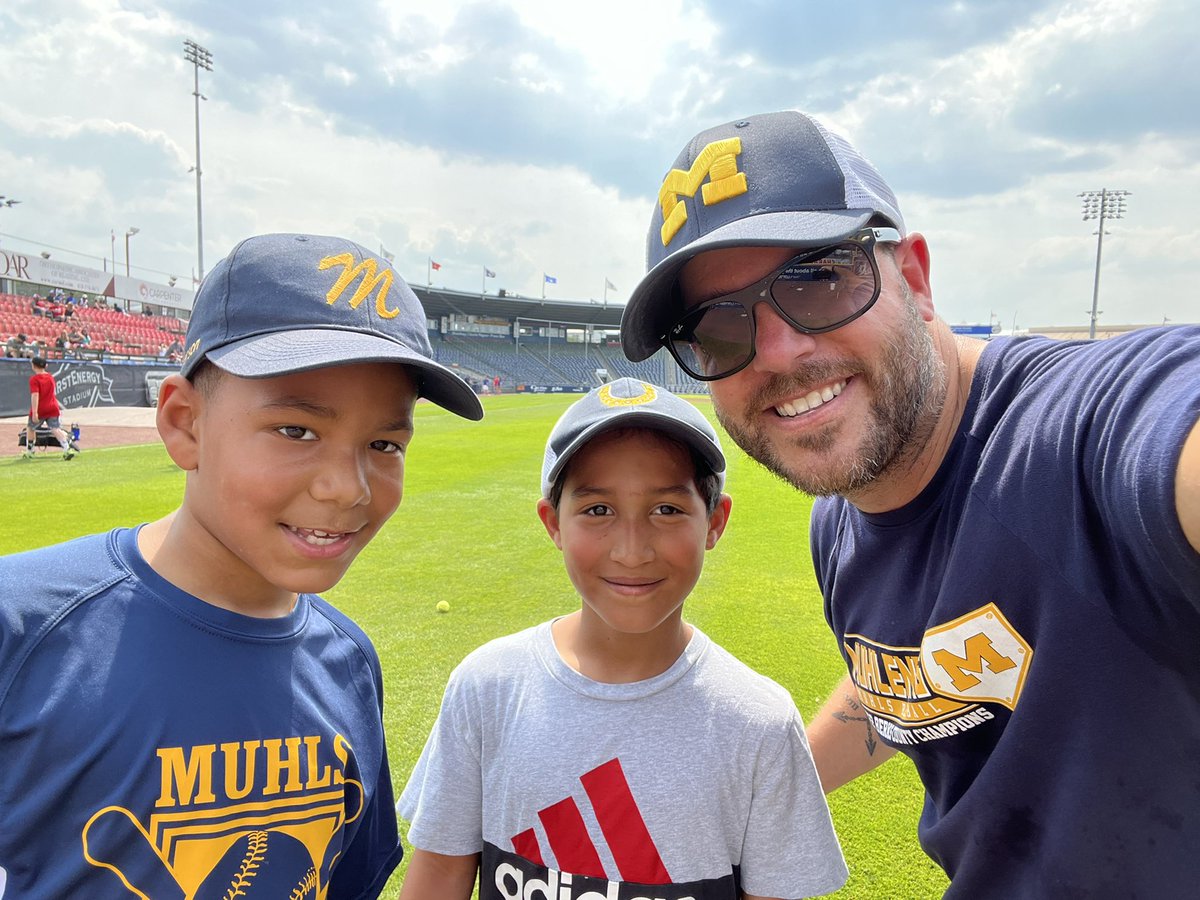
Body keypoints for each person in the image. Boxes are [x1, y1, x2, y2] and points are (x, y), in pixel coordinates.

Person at [619, 110, 1200, 897]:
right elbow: (907, 673)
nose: (780, 353)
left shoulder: (1089, 428)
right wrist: (758, 792)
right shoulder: (841, 524)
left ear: (916, 279)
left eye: (819, 277)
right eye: (718, 331)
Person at [0, 233, 484, 897]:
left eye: (383, 443)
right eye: (297, 430)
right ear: (184, 423)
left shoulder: (347, 661)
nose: (349, 487)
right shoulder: (22, 626)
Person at [398, 377, 848, 900]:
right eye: (597, 510)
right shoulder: (487, 686)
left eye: (667, 510)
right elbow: (439, 875)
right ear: (553, 524)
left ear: (715, 522)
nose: (631, 551)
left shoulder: (757, 722)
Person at [24, 355, 76, 459]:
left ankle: (30, 451)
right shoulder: (50, 377)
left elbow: (35, 395)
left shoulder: (34, 379)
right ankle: (66, 448)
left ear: (34, 366)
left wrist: (35, 412)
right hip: (52, 406)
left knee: (30, 428)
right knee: (55, 429)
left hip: (41, 408)